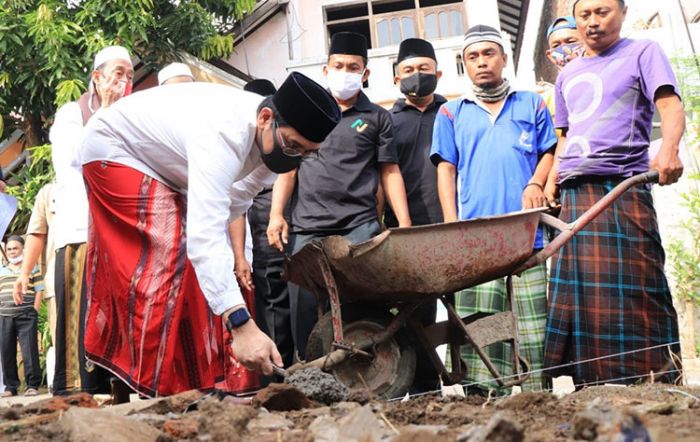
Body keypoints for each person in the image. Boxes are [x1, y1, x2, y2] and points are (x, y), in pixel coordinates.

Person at [77, 72, 340, 399]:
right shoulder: (223, 133)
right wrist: (241, 324)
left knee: (199, 274)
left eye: (305, 152)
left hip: (165, 170)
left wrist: (226, 277)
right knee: (171, 253)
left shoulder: (273, 147)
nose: (293, 157)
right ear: (265, 117)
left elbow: (235, 202)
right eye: (292, 145)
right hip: (113, 151)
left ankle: (185, 386)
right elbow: (204, 237)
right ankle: (148, 384)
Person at [543, 0, 684, 386]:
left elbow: (670, 105)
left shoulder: (643, 52)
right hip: (574, 195)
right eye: (584, 14)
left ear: (623, 12)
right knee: (585, 300)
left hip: (621, 186)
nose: (592, 21)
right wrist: (549, 183)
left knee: (639, 286)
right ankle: (594, 385)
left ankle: (654, 382)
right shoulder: (568, 73)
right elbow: (565, 139)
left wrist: (669, 148)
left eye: (602, 11)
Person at [267, 32, 412, 359]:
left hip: (359, 230)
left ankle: (371, 378)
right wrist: (277, 214)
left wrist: (403, 224)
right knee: (305, 313)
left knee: (363, 311)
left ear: (365, 73)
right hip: (307, 229)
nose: (344, 71)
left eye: (352, 66)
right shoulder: (310, 113)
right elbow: (288, 169)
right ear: (326, 69)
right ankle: (310, 382)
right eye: (338, 65)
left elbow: (389, 172)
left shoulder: (378, 118)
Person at [431, 25, 557, 393]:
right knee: (483, 326)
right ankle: (485, 397)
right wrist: (451, 224)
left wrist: (536, 183)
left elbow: (549, 151)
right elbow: (446, 170)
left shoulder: (531, 103)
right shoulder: (451, 113)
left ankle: (538, 398)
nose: (481, 62)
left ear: (504, 58)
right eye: (473, 56)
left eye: (489, 53)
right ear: (464, 64)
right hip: (476, 239)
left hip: (527, 235)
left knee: (534, 327)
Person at [44, 45, 133, 396]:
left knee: (115, 307)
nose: (124, 81)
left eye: (128, 75)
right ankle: (73, 388)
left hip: (116, 226)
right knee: (78, 306)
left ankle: (118, 385)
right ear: (96, 78)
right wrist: (107, 111)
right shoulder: (72, 113)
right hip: (80, 225)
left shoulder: (128, 113)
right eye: (117, 74)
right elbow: (73, 159)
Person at [388, 38, 445, 392]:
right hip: (408, 231)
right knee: (415, 315)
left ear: (438, 72)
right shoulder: (387, 121)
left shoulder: (455, 112)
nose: (417, 75)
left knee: (462, 311)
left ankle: (476, 387)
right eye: (409, 70)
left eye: (424, 69)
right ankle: (425, 390)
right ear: (396, 78)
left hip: (454, 225)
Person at [237, 79, 295, 380]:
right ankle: (276, 378)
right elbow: (235, 204)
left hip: (283, 217)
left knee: (289, 302)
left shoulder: (284, 148)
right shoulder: (237, 145)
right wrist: (239, 256)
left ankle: (291, 372)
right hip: (259, 219)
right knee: (271, 302)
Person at [0, 236, 43, 397]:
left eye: (15, 248)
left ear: (23, 249)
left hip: (26, 315)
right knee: (6, 352)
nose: (12, 252)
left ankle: (32, 385)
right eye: (9, 249)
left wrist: (35, 310)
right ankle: (11, 387)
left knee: (29, 351)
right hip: (4, 316)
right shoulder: (2, 269)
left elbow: (39, 289)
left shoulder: (32, 268)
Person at [539, 15, 584, 121]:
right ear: (550, 56)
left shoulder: (606, 81)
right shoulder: (545, 102)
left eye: (570, 42)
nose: (564, 49)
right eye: (556, 46)